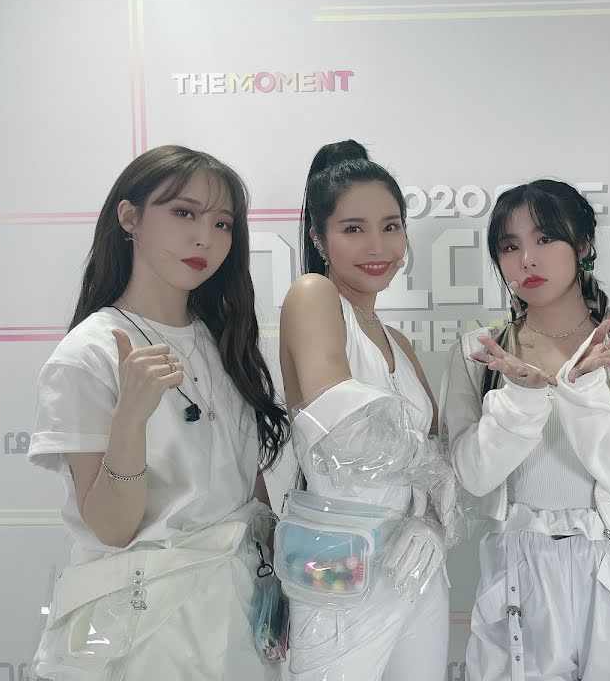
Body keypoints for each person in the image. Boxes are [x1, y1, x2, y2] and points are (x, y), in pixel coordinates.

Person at [28, 145, 291, 680]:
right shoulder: (88, 354)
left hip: (238, 615)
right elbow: (113, 528)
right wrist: (130, 418)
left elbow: (248, 489)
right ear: (129, 218)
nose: (205, 238)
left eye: (222, 223)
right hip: (143, 627)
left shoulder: (224, 341)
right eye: (184, 213)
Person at [443, 180, 610, 681]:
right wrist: (522, 399)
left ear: (583, 244)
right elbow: (473, 475)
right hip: (519, 568)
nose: (527, 260)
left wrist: (586, 392)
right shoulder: (481, 353)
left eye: (545, 239)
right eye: (509, 246)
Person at [277, 141, 455, 680]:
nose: (377, 246)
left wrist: (431, 523)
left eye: (391, 226)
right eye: (353, 228)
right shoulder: (313, 295)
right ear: (319, 237)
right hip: (335, 565)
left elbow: (442, 457)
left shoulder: (398, 340)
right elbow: (347, 433)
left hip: (414, 564)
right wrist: (428, 468)